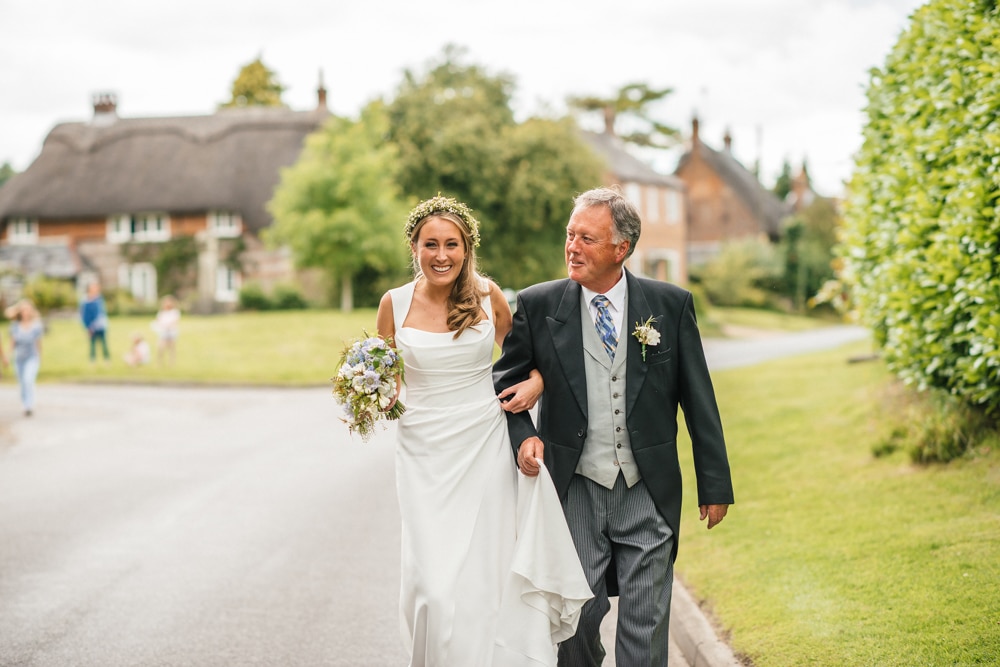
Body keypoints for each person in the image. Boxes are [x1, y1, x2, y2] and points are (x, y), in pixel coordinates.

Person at [494, 186, 735, 666]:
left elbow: (699, 399)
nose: (572, 247)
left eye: (586, 237)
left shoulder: (669, 305)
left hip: (647, 489)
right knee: (576, 620)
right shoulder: (540, 305)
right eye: (570, 235)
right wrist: (525, 435)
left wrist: (715, 483)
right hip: (576, 489)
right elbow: (506, 380)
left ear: (620, 248)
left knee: (646, 624)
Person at [376, 195, 592, 666]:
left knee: (484, 575)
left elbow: (526, 361)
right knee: (432, 585)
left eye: (451, 244)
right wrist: (375, 394)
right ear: (413, 247)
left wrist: (536, 382)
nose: (441, 255)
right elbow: (388, 375)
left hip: (485, 443)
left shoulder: (487, 295)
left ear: (466, 246)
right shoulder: (392, 304)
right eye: (430, 244)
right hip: (423, 453)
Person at [6, 299, 44, 416]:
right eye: (23, 310)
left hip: (32, 357)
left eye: (27, 310)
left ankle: (29, 405)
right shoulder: (15, 327)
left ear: (31, 311)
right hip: (19, 359)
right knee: (22, 382)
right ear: (20, 312)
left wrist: (40, 357)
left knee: (28, 380)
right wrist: (8, 356)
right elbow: (12, 344)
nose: (25, 312)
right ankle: (24, 403)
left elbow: (38, 343)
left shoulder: (36, 326)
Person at [80, 281, 110, 364]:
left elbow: (102, 312)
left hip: (101, 325)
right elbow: (84, 315)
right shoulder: (85, 300)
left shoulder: (99, 299)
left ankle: (106, 359)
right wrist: (87, 326)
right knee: (92, 344)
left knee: (103, 342)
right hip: (91, 326)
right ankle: (92, 360)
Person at [151, 295, 180, 365]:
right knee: (160, 348)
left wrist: (169, 325)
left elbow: (175, 321)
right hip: (163, 332)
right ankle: (160, 362)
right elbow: (158, 321)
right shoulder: (161, 313)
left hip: (171, 332)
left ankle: (171, 363)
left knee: (171, 348)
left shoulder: (174, 312)